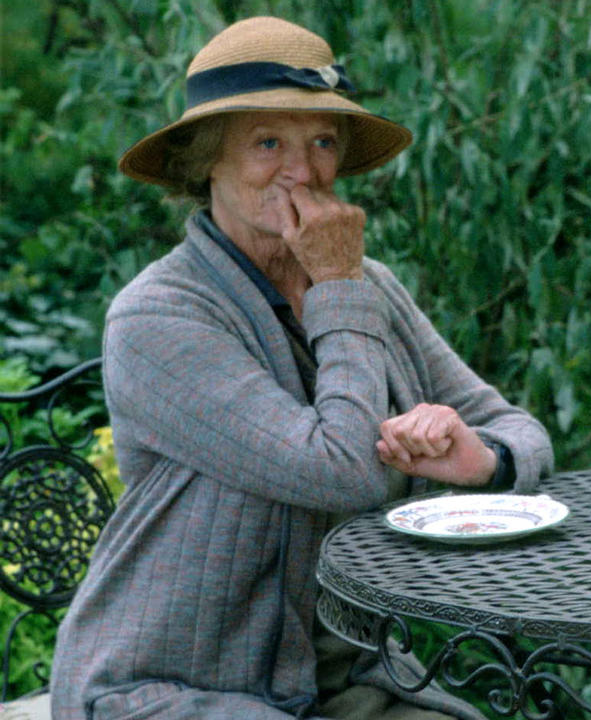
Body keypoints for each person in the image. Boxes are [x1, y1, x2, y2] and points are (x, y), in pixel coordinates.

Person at [49, 16, 553, 720]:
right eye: (266, 143)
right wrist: (338, 284)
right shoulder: (157, 315)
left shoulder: (367, 285)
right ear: (205, 163)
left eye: (321, 141)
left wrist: (484, 462)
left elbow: (521, 431)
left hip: (344, 682)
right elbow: (340, 471)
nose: (303, 170)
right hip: (168, 686)